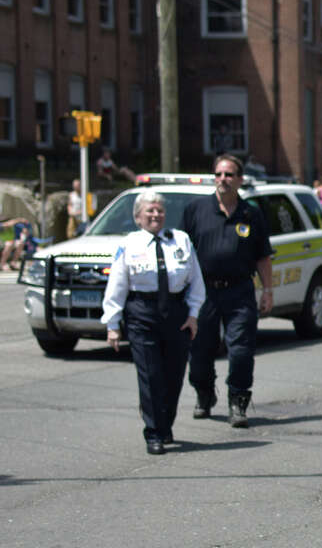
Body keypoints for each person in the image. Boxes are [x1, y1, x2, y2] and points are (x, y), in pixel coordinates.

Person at [100, 191, 205, 454]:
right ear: (138, 217)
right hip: (141, 314)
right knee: (150, 375)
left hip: (176, 314)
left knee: (174, 374)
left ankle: (165, 422)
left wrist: (193, 315)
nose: (156, 215)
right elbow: (117, 285)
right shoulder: (129, 244)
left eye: (159, 210)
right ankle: (153, 433)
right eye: (150, 211)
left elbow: (195, 281)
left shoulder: (180, 240)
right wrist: (112, 325)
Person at [183, 154, 274, 427]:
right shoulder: (196, 210)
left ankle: (238, 401)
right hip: (203, 293)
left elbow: (263, 257)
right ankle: (204, 393)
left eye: (229, 174)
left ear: (240, 180)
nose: (223, 179)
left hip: (240, 292)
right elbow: (182, 254)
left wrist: (267, 290)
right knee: (199, 350)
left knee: (242, 350)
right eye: (219, 174)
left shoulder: (251, 214)